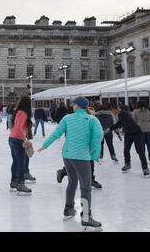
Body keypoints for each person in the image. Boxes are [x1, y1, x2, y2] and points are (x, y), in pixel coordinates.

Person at [38, 96, 104, 231]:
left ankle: (68, 209)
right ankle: (86, 217)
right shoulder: (92, 119)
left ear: (78, 106)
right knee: (85, 186)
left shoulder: (68, 118)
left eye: (73, 104)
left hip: (67, 155)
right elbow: (99, 134)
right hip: (82, 156)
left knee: (72, 183)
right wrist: (91, 146)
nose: (72, 106)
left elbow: (56, 134)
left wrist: (45, 145)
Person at [107, 103, 150, 176]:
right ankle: (127, 164)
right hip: (128, 133)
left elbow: (120, 123)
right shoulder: (119, 114)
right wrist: (116, 128)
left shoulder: (124, 114)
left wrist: (109, 129)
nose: (112, 113)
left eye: (111, 111)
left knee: (139, 150)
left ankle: (145, 168)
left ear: (114, 109)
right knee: (126, 149)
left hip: (137, 133)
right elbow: (121, 124)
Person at [9, 95, 35, 195]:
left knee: (15, 161)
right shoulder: (23, 113)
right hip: (18, 139)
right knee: (21, 162)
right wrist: (25, 140)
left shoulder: (18, 112)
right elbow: (19, 127)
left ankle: (14, 182)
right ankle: (21, 183)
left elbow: (17, 125)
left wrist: (30, 124)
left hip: (12, 138)